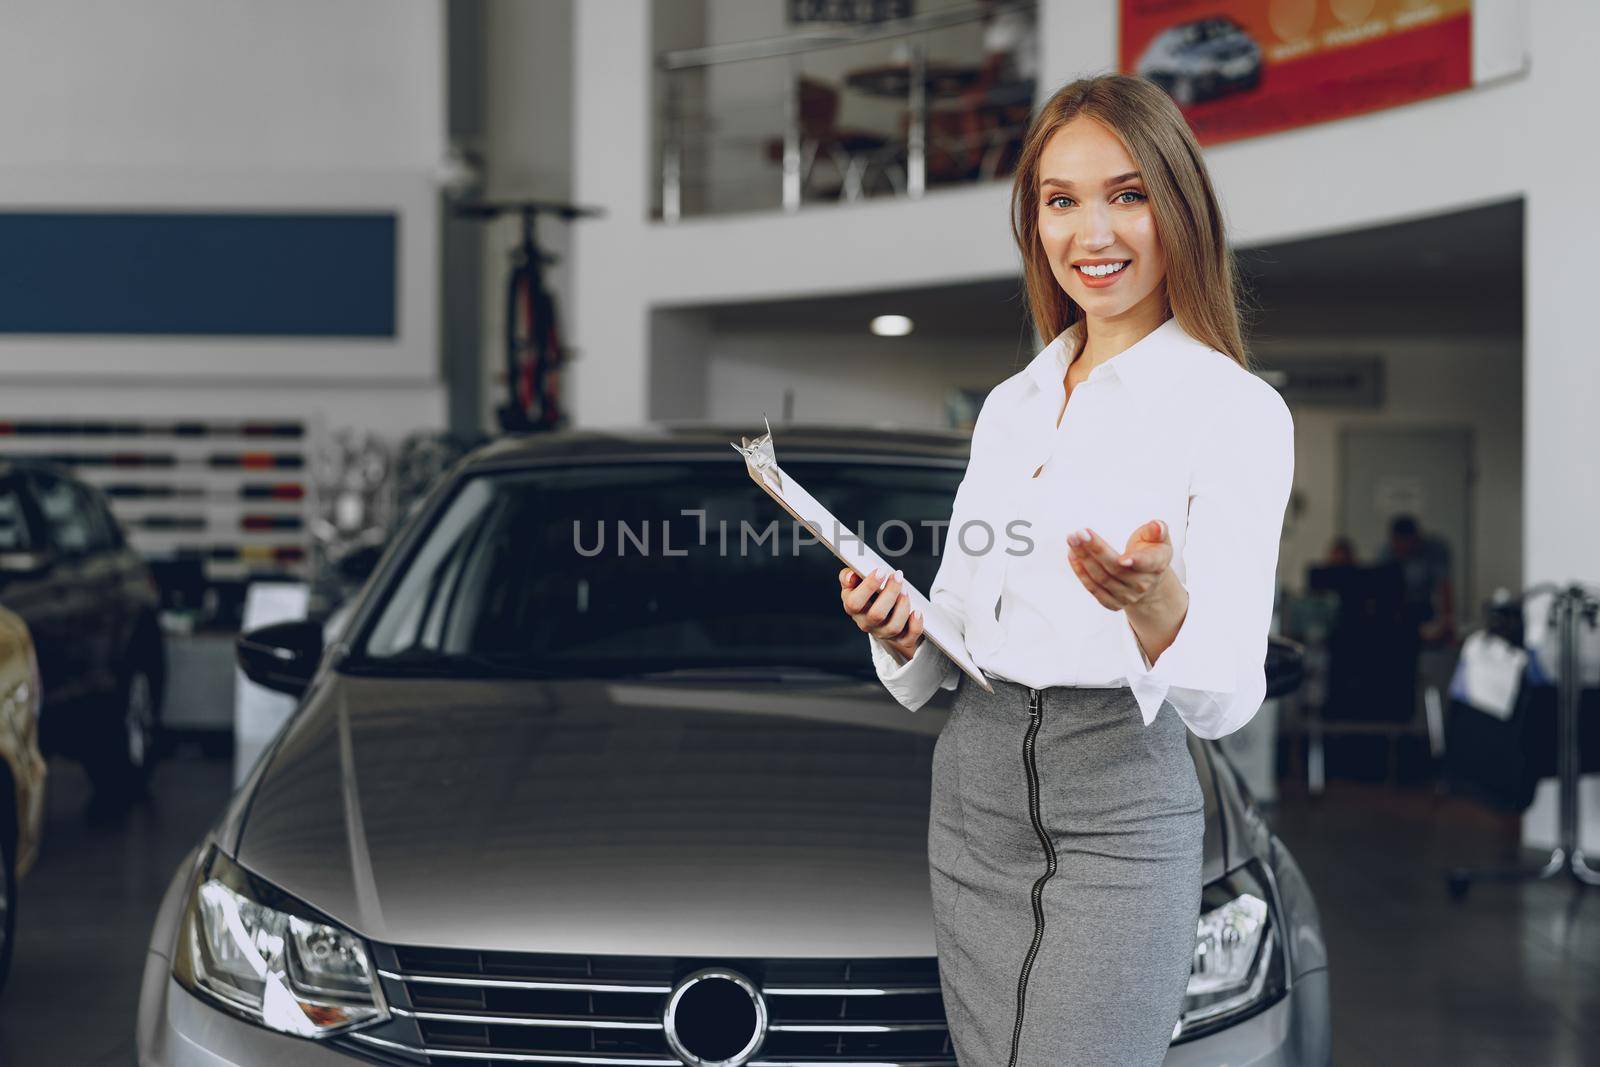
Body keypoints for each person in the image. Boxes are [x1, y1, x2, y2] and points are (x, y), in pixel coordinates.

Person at [837, 73, 1294, 1066]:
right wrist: (902, 626)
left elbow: (1223, 703)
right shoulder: (1011, 404)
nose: (1094, 230)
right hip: (973, 782)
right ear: (1033, 220)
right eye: (1061, 199)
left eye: (1127, 194)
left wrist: (1158, 604)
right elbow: (959, 619)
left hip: (1119, 795)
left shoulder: (1235, 411)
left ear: (1177, 207)